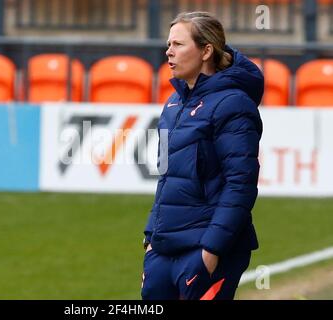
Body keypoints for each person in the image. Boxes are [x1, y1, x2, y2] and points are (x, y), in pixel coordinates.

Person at [141, 11, 264, 300]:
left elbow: (240, 184)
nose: (168, 51)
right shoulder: (173, 104)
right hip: (163, 249)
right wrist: (150, 240)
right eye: (168, 44)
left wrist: (212, 250)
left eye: (178, 44)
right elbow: (167, 177)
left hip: (206, 251)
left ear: (206, 50)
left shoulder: (233, 103)